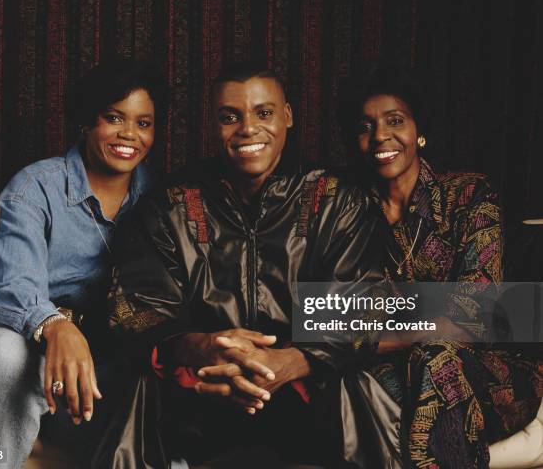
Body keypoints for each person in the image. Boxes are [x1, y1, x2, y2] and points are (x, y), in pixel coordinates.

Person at [102, 62, 391, 468]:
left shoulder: (335, 199)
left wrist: (290, 362)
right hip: (201, 398)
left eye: (264, 113)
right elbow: (134, 310)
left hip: (309, 398)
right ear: (213, 123)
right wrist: (200, 347)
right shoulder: (170, 204)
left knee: (362, 383)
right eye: (230, 116)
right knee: (140, 385)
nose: (248, 128)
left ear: (287, 116)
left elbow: (361, 303)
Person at [0, 58, 165, 468]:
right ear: (86, 122)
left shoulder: (159, 195)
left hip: (92, 378)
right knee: (5, 353)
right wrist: (55, 325)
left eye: (144, 123)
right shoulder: (36, 187)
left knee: (150, 385)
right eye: (113, 118)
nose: (129, 135)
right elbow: (10, 284)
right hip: (11, 361)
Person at [339, 65, 543, 468]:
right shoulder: (347, 214)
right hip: (393, 377)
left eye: (395, 121)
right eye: (366, 127)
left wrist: (389, 325)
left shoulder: (468, 195)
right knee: (359, 383)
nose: (381, 135)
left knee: (437, 356)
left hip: (488, 377)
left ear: (419, 131)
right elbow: (338, 319)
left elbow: (478, 314)